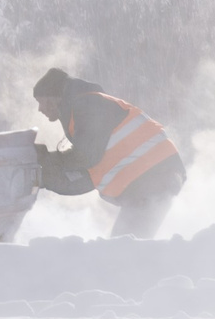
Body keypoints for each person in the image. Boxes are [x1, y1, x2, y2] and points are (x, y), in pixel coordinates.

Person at [31, 67, 185, 237]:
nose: (39, 109)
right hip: (150, 180)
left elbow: (85, 157)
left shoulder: (88, 105)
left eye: (41, 101)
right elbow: (86, 178)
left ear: (55, 98)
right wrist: (45, 177)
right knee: (124, 246)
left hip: (153, 176)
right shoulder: (83, 112)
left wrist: (48, 159)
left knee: (124, 251)